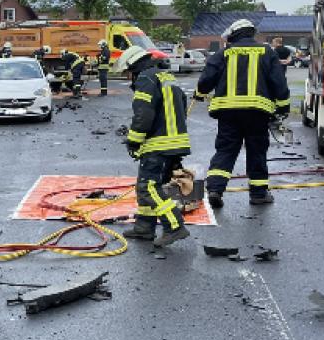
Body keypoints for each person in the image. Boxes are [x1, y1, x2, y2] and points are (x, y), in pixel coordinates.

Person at [196, 20, 290, 207]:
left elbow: (205, 81)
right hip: (257, 113)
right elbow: (279, 84)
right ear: (251, 33)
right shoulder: (267, 52)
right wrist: (282, 108)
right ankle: (258, 194)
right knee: (257, 151)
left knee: (225, 150)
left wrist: (200, 93)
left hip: (228, 113)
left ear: (234, 35)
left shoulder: (223, 54)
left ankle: (215, 190)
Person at [114, 45, 191, 247]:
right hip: (174, 141)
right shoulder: (165, 77)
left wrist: (134, 140)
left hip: (158, 143)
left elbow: (143, 114)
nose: (128, 76)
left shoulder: (145, 79)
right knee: (145, 185)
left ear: (134, 65)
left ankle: (175, 227)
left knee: (149, 188)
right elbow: (182, 105)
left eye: (128, 72)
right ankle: (144, 226)